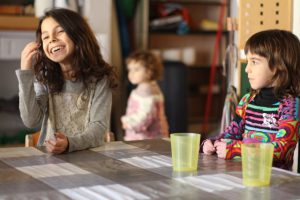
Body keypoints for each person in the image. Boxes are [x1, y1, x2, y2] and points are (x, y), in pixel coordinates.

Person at [16, 8, 117, 154]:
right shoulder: (45, 78)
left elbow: (99, 128)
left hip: (90, 158)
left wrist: (70, 143)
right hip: (49, 161)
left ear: (78, 35)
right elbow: (31, 121)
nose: (52, 39)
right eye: (45, 37)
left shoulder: (100, 78)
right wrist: (25, 72)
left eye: (60, 31)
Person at [202, 29, 300, 170]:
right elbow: (232, 134)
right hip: (245, 175)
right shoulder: (247, 100)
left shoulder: (291, 105)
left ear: (279, 65)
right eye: (247, 61)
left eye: (254, 62)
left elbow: (281, 150)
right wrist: (213, 142)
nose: (247, 69)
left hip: (274, 182)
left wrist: (235, 149)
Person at [121, 50, 169, 141]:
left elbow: (146, 115)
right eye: (130, 69)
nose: (131, 73)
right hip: (158, 135)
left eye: (136, 69)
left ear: (149, 71)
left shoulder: (145, 90)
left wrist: (128, 123)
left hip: (143, 138)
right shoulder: (153, 86)